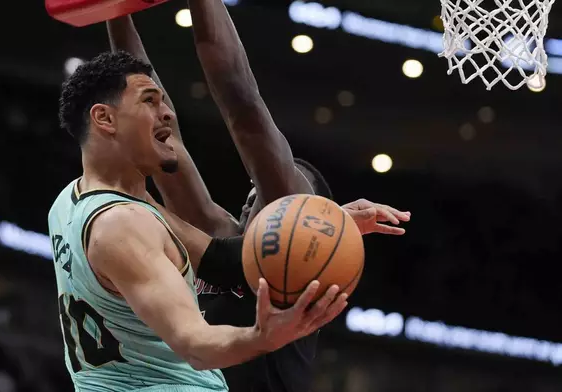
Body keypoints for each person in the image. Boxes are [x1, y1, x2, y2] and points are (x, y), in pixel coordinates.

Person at [106, 6, 410, 392]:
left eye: (274, 195)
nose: (254, 200)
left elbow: (243, 104)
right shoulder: (220, 241)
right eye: (252, 195)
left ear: (311, 220)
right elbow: (164, 136)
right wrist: (116, 12)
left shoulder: (296, 268)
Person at [47, 51, 349, 392]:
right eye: (150, 101)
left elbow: (221, 257)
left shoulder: (69, 202)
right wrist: (260, 337)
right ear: (105, 118)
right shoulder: (123, 225)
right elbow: (195, 343)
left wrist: (336, 220)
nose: (167, 113)